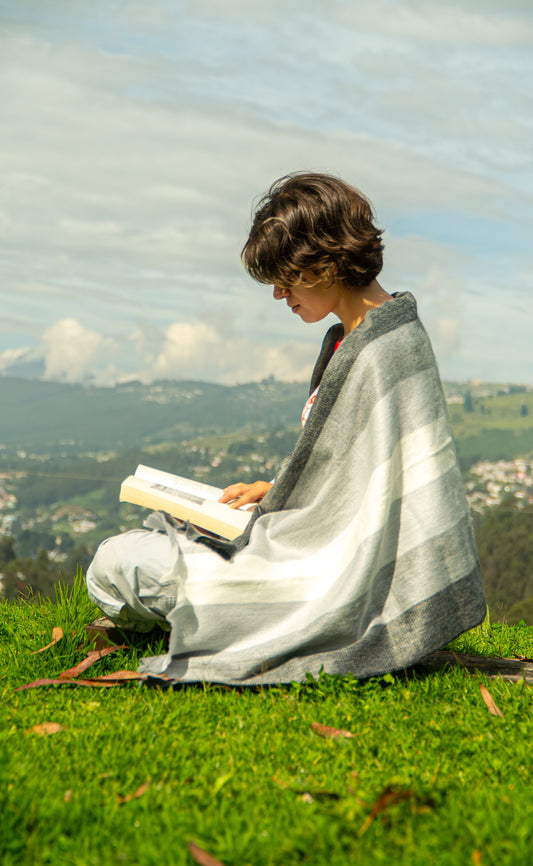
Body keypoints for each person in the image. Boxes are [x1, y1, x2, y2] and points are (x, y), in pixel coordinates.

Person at [86, 172, 486, 684]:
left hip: (329, 579)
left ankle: (243, 619)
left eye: (286, 277)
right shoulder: (355, 338)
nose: (278, 294)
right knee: (128, 558)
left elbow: (396, 501)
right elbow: (361, 476)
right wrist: (279, 491)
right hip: (306, 548)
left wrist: (289, 515)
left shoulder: (388, 349)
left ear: (325, 261)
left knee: (117, 565)